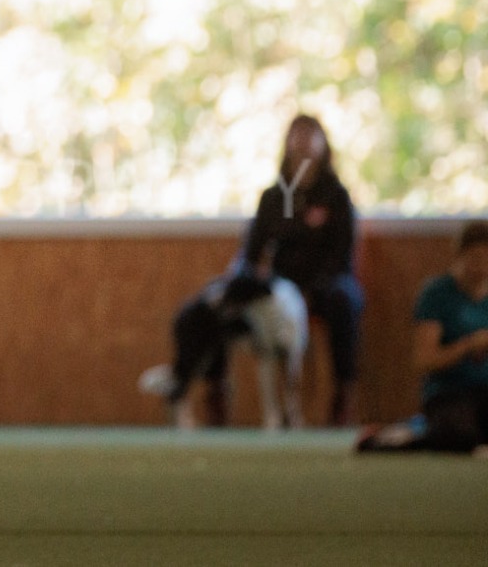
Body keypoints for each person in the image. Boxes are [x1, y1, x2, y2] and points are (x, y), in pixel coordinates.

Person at [142, 114, 363, 426]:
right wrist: (253, 281)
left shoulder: (337, 198)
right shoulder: (273, 199)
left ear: (324, 146)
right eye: (296, 135)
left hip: (325, 286)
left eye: (309, 135)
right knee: (212, 304)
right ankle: (213, 391)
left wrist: (307, 291)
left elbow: (342, 256)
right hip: (275, 289)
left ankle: (343, 394)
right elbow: (250, 254)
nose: (302, 143)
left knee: (345, 300)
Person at [413, 220, 488, 453]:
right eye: (476, 258)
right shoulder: (436, 294)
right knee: (456, 435)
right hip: (449, 393)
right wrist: (468, 345)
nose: (481, 267)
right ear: (460, 255)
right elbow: (424, 360)